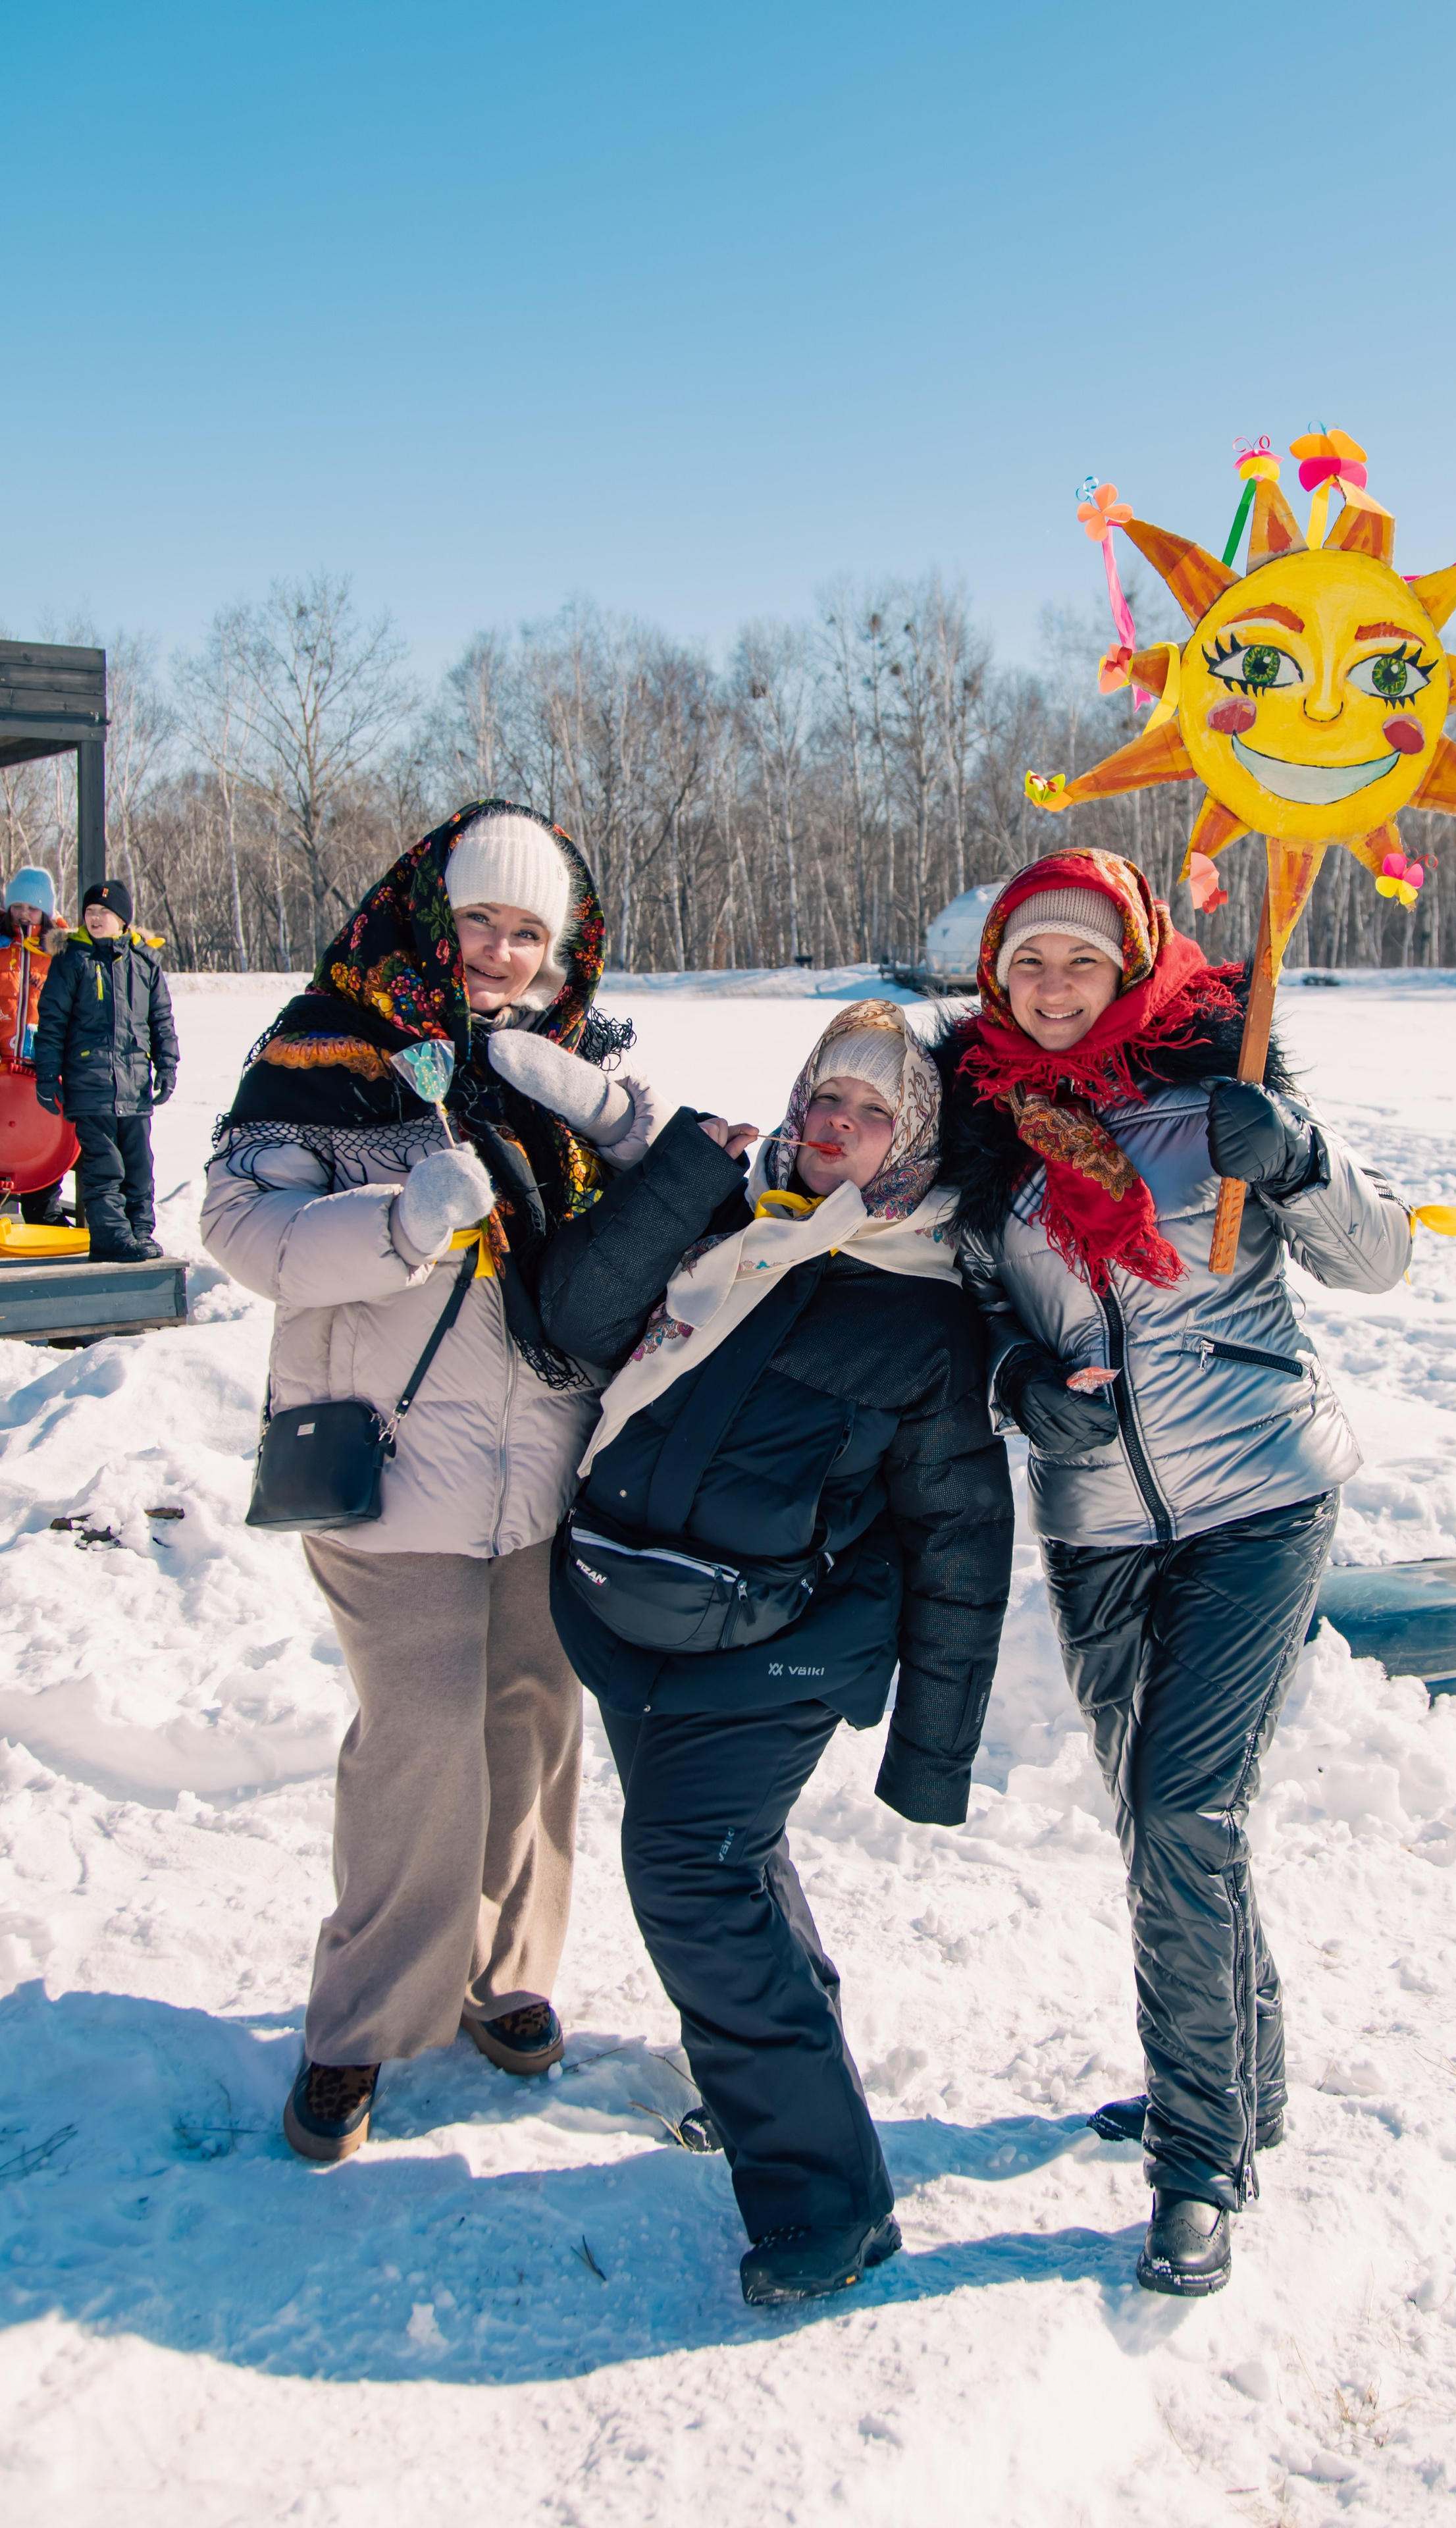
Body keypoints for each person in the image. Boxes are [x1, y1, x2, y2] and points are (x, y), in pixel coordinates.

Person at [934, 846, 1411, 2298]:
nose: (1055, 985)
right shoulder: (985, 1137)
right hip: (1094, 1523)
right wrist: (1021, 1380)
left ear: (1131, 962)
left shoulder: (1223, 1095)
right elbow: (972, 1321)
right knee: (1169, 1830)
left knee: (1182, 1805)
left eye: (1082, 959)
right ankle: (1239, 2081)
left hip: (1258, 1499)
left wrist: (1305, 1164)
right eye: (1027, 964)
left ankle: (1196, 2162)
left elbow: (1378, 1261)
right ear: (992, 981)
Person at [201, 801, 675, 2163]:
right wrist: (400, 1219)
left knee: (530, 1726)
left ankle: (505, 1971)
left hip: (545, 1471)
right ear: (429, 911)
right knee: (416, 1745)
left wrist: (624, 1122)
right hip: (389, 1470)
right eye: (481, 921)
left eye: (532, 932)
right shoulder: (327, 1050)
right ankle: (355, 2027)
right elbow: (240, 1228)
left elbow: (664, 1209)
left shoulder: (572, 1062)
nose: (502, 952)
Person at [531, 1001, 1014, 2307]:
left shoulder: (925, 1306)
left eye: (868, 1116)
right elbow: (572, 1317)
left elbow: (962, 1532)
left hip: (783, 1645)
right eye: (822, 1104)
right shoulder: (723, 1229)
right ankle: (783, 2083)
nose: (834, 1132)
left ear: (909, 1145)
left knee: (688, 1877)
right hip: (628, 1612)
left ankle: (825, 2202)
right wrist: (688, 1170)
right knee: (732, 1870)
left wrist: (931, 1753)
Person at [33, 878, 178, 1260]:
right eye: (90, 913)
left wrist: (166, 1066)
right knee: (104, 1168)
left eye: (104, 913)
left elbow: (161, 1020)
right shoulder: (71, 961)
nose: (95, 919)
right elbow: (51, 1024)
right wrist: (47, 1076)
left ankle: (140, 1233)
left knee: (138, 1166)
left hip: (134, 1086)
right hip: (89, 1085)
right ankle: (113, 1238)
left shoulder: (145, 963)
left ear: (123, 920)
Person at [1, 867, 71, 1223]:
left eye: (32, 907)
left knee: (44, 1138)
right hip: (2, 1068)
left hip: (43, 1066)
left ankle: (45, 1212)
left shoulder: (63, 952)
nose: (24, 914)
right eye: (17, 906)